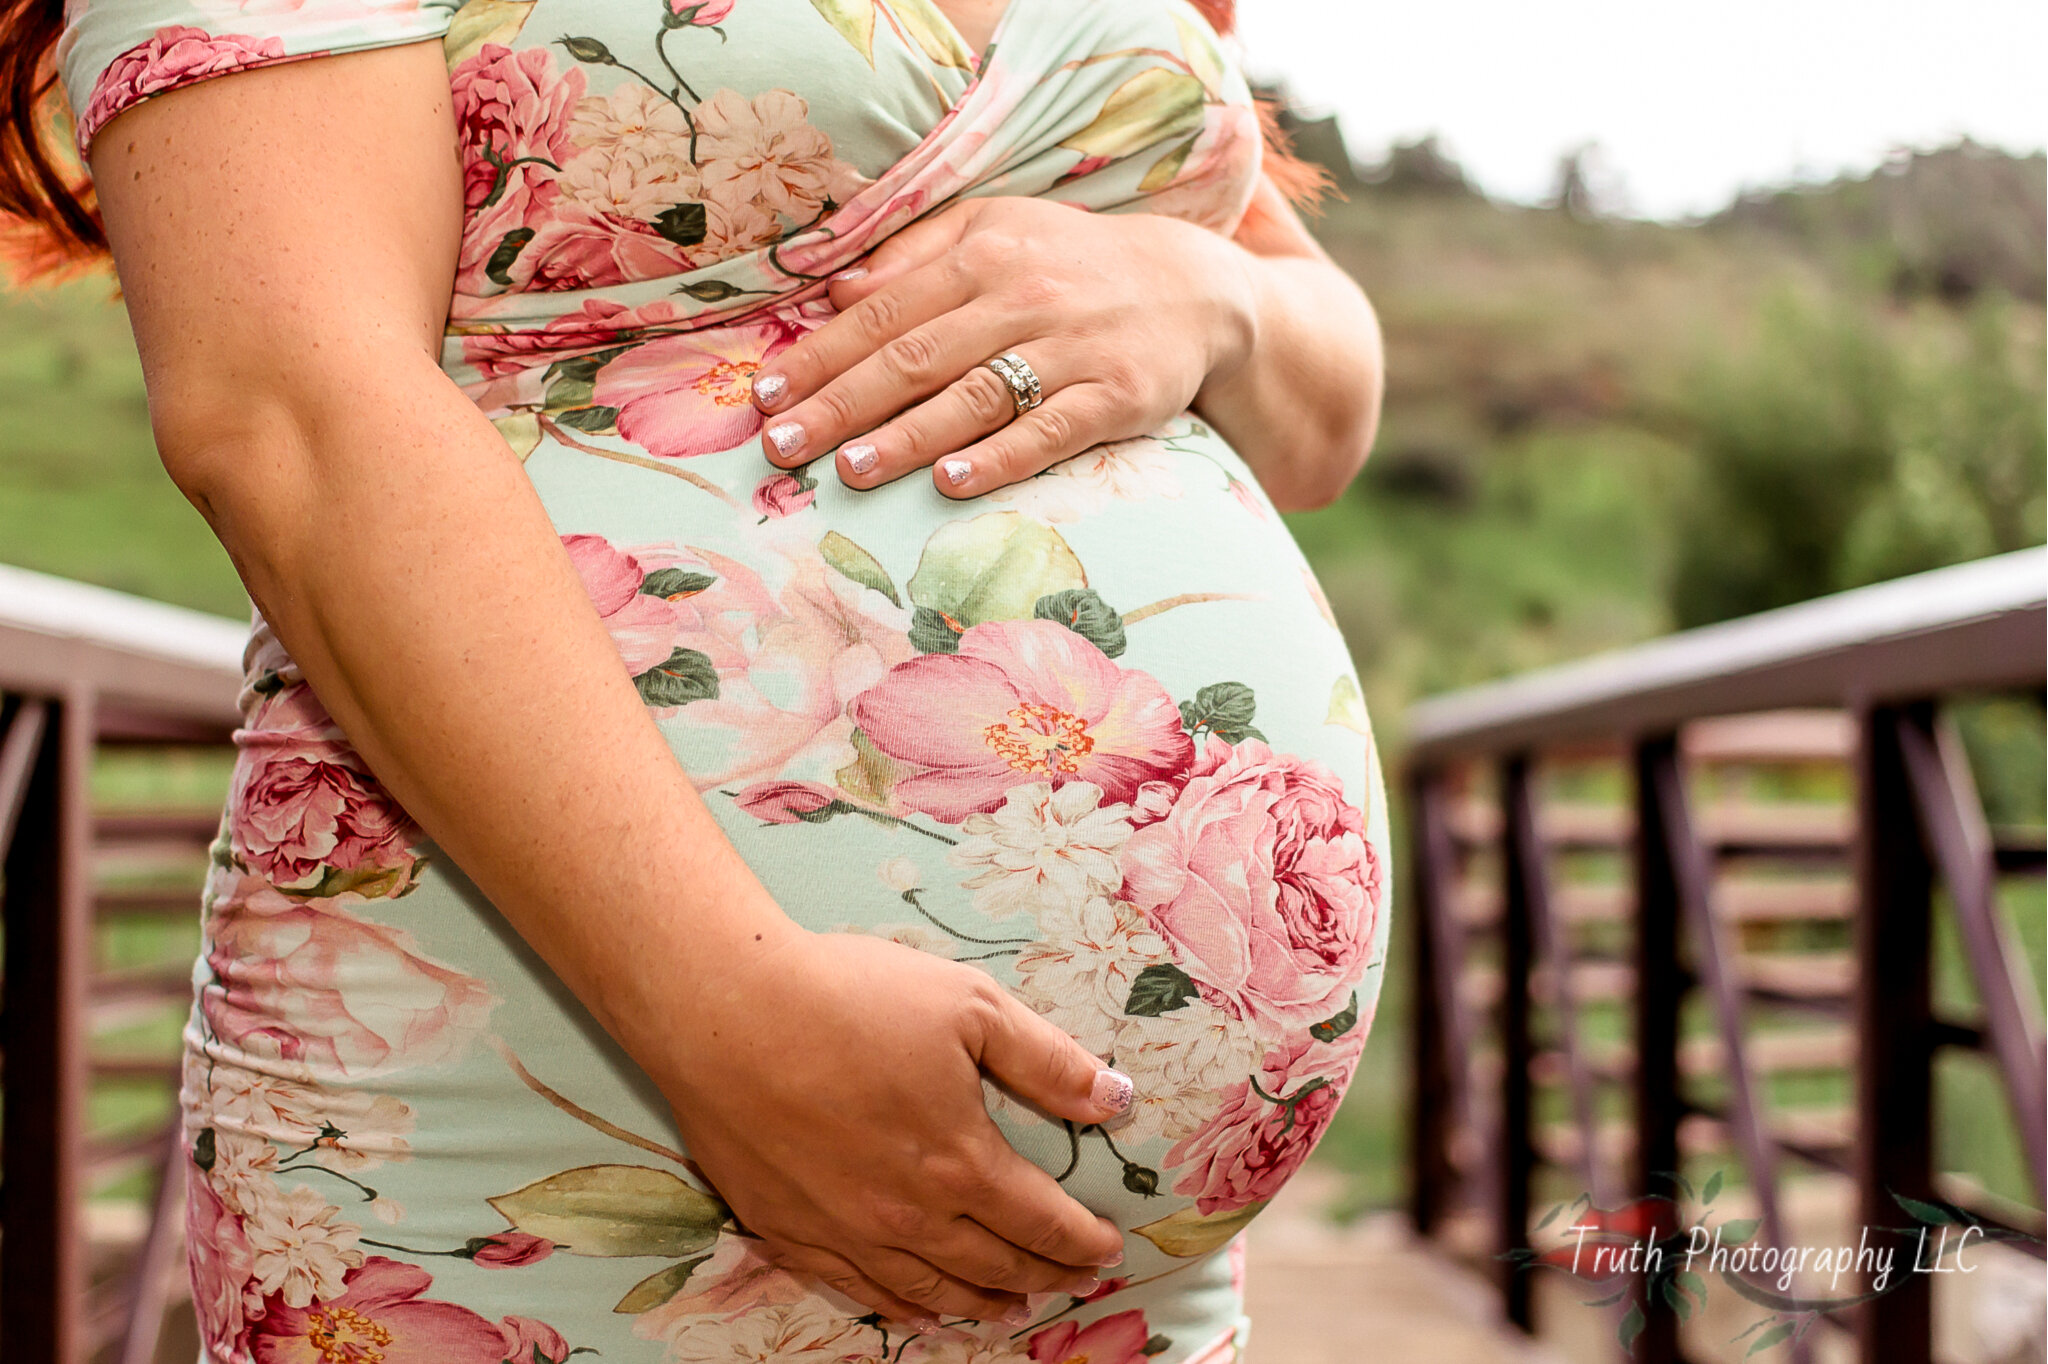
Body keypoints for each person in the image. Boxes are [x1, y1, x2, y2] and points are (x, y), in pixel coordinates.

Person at [0, 0, 1389, 1357]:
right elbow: (291, 419)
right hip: (552, 1128)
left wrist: (1217, 299)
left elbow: (1323, 416)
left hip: (1106, 1282)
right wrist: (725, 1015)